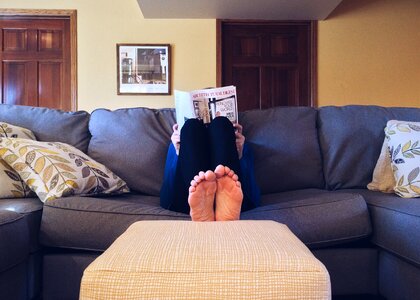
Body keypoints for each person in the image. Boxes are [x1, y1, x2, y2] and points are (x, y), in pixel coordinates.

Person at [160, 116, 260, 221]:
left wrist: (239, 153)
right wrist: (178, 152)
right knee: (191, 126)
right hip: (185, 200)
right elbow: (166, 194)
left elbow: (254, 194)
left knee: (221, 123)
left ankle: (220, 206)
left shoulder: (237, 140)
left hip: (235, 202)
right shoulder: (179, 139)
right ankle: (204, 206)